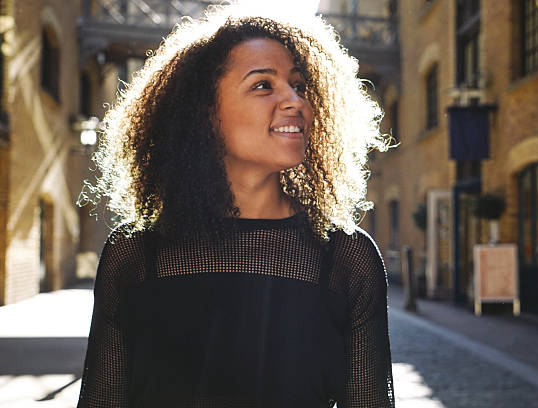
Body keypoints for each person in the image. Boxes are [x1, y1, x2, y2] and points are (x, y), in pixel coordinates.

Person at [78, 3, 394, 407]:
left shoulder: (346, 258)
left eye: (298, 84)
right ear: (204, 112)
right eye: (264, 85)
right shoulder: (137, 254)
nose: (294, 100)